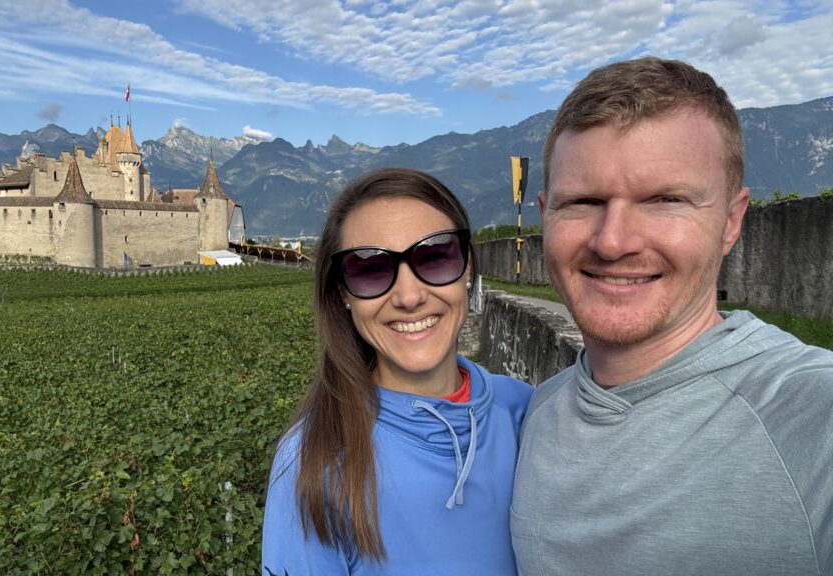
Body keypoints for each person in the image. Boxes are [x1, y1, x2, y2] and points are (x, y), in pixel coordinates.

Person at [511, 56, 833, 575]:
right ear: (546, 214)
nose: (613, 241)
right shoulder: (537, 414)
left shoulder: (812, 420)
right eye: (584, 201)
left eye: (664, 199)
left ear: (731, 222)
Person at [262, 168, 533, 574]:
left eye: (435, 257)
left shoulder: (528, 414)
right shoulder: (314, 459)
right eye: (370, 269)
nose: (409, 296)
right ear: (342, 293)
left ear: (468, 268)